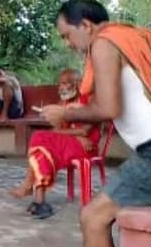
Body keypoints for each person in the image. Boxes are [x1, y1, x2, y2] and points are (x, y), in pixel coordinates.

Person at [40, 0, 151, 247]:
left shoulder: (104, 42)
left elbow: (109, 108)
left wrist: (65, 114)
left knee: (93, 217)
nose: (68, 44)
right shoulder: (130, 37)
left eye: (67, 35)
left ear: (85, 25)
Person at [10, 68, 101, 219]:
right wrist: (60, 122)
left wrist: (74, 135)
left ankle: (32, 190)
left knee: (40, 138)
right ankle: (39, 201)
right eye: (60, 84)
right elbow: (58, 129)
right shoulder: (63, 103)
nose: (61, 87)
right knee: (42, 148)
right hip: (69, 145)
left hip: (87, 147)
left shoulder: (88, 101)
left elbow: (85, 131)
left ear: (77, 84)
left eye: (65, 83)